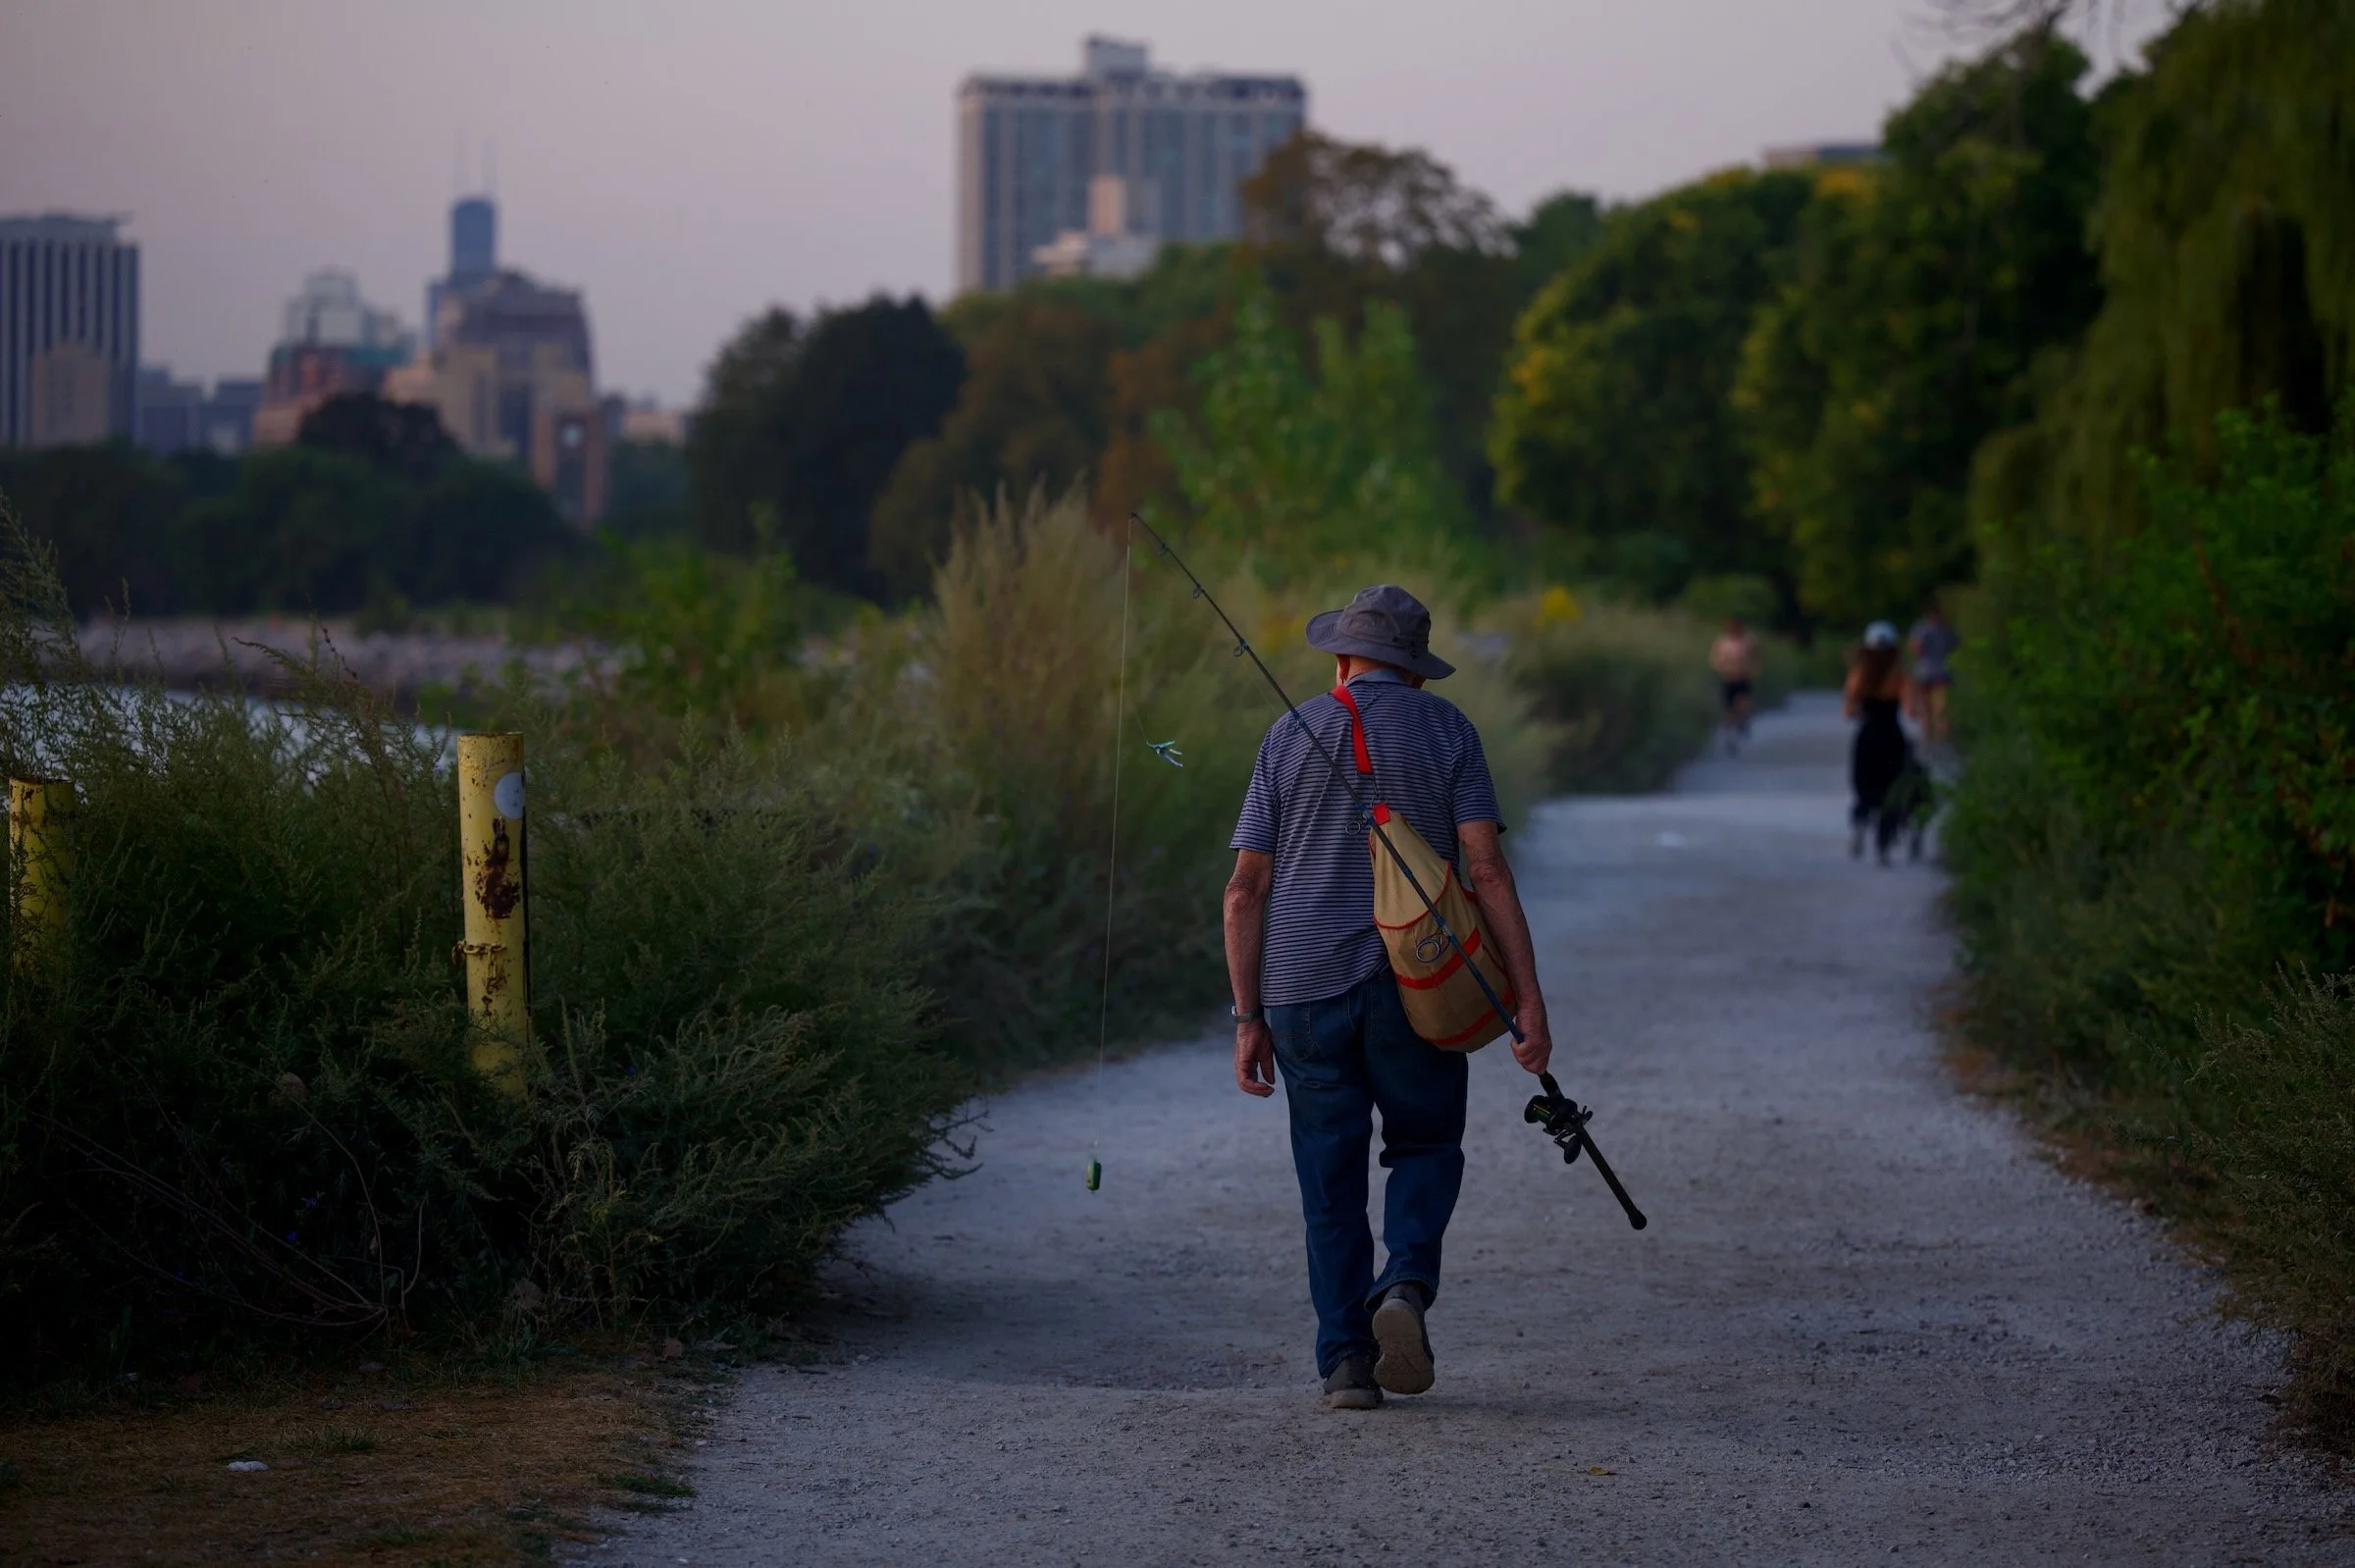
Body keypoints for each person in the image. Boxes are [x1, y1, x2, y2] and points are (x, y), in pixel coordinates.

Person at [1223, 584, 1552, 1412]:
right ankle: (1403, 1282)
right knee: (1427, 1142)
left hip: (1302, 987)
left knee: (1328, 1173)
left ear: (1342, 658)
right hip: (1426, 983)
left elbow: (1243, 890)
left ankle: (1345, 1365)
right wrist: (1527, 1000)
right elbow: (1485, 871)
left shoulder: (1286, 733)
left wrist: (1247, 1016)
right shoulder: (1450, 733)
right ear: (1417, 672)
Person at [1845, 621, 1915, 864]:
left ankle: (1861, 821)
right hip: (1892, 736)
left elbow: (1848, 711)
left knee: (1864, 786)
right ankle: (1883, 846)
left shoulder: (1859, 674)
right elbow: (1910, 709)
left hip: (1867, 736)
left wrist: (1865, 713)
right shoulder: (1900, 676)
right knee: (1892, 790)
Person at [1909, 601, 1962, 748]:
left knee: (1929, 710)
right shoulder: (1945, 629)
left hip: (1926, 672)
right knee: (1939, 709)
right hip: (1939, 671)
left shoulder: (1921, 629)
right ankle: (1941, 740)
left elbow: (1916, 650)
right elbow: (1956, 645)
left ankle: (1929, 740)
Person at [1707, 616, 1762, 755]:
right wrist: (1722, 666)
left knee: (1744, 704)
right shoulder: (1722, 642)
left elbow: (1757, 656)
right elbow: (1715, 659)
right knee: (1729, 709)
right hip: (1729, 677)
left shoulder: (1747, 641)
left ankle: (1743, 721)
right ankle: (1730, 737)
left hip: (1744, 677)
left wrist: (1754, 669)